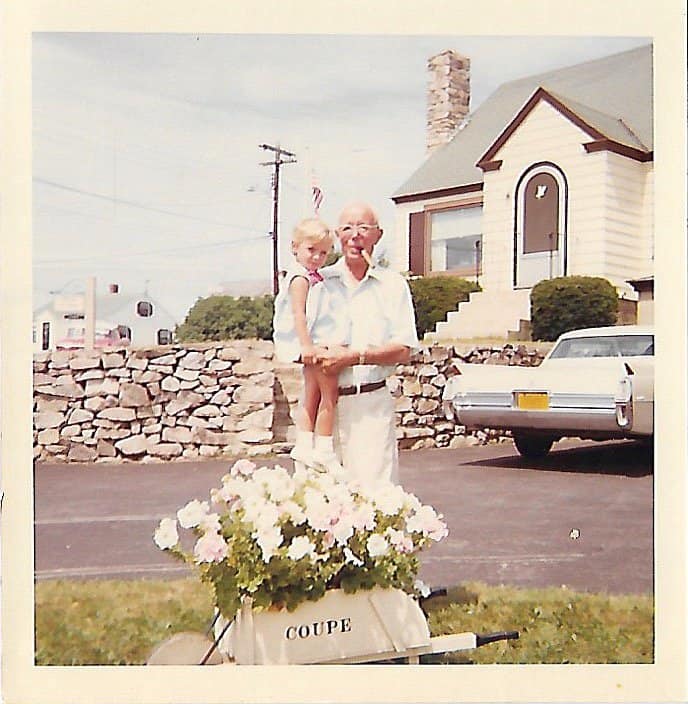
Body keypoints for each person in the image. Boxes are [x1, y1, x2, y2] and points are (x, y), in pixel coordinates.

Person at [317, 202, 419, 486]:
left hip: (371, 407)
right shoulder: (320, 283)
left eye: (363, 227)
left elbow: (404, 349)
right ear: (337, 235)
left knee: (376, 495)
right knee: (321, 498)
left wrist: (355, 357)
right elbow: (294, 338)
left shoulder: (392, 285)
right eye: (347, 228)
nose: (355, 235)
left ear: (378, 235)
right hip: (324, 406)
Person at [272, 218, 349, 474]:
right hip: (314, 344)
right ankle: (324, 449)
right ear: (295, 247)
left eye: (323, 252)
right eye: (311, 250)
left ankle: (304, 445)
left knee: (312, 394)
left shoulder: (315, 276)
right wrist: (306, 346)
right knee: (329, 396)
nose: (317, 257)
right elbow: (299, 314)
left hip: (314, 342)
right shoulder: (300, 280)